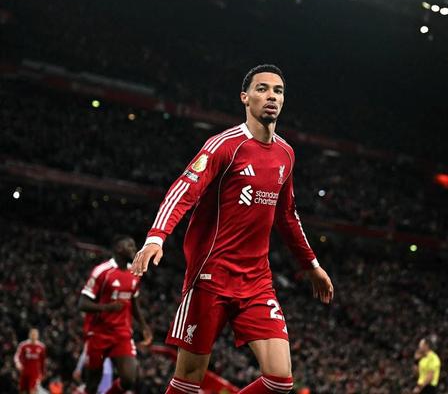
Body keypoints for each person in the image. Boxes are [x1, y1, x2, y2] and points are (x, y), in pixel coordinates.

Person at [131, 64, 334, 394]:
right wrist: (156, 237)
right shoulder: (224, 145)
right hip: (211, 277)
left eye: (278, 91)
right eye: (262, 89)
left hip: (256, 281)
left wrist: (311, 265)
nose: (271, 96)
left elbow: (287, 215)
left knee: (280, 380)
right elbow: (184, 189)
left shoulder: (286, 153)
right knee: (188, 380)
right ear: (245, 97)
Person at [79, 235, 153, 394]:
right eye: (130, 246)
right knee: (92, 385)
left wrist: (144, 326)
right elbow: (82, 304)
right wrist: (107, 307)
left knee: (129, 379)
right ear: (119, 248)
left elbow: (134, 302)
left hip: (122, 334)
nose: (134, 249)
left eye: (134, 246)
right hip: (98, 333)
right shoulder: (102, 272)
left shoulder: (135, 273)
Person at [14, 328, 46, 394]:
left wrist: (43, 373)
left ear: (38, 336)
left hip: (35, 373)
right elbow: (17, 356)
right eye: (32, 334)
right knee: (22, 390)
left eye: (35, 334)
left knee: (32, 390)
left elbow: (43, 361)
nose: (33, 336)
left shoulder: (41, 347)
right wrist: (18, 363)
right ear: (29, 335)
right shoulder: (23, 345)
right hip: (24, 371)